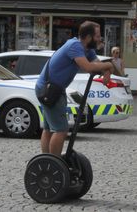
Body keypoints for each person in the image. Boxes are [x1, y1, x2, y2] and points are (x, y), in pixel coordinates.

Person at [35, 21, 114, 156]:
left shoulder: (87, 49)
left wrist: (107, 70)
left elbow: (97, 65)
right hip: (49, 89)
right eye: (97, 36)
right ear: (88, 37)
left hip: (55, 89)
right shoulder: (75, 46)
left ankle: (46, 159)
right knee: (61, 130)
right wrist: (109, 66)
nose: (100, 39)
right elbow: (88, 67)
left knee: (49, 128)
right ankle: (54, 162)